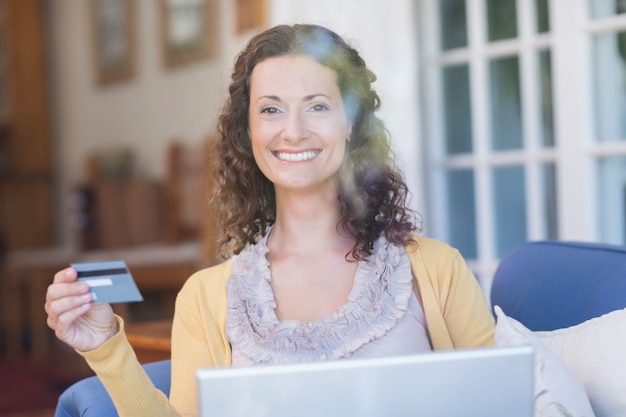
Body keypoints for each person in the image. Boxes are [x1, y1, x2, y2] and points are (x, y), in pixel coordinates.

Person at [45, 23, 495, 417]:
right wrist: (105, 349)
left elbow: (504, 402)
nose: (293, 130)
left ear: (352, 123)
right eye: (271, 109)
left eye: (317, 105)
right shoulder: (205, 298)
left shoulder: (436, 270)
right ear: (249, 130)